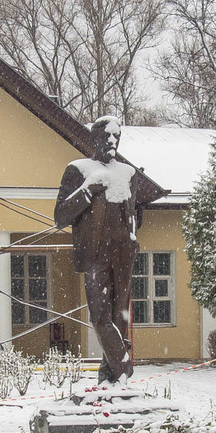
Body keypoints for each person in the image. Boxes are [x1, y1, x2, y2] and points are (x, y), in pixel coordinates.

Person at [54, 116, 167, 383]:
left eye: (117, 137)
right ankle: (123, 364)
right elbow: (60, 217)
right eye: (107, 136)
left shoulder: (128, 174)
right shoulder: (78, 170)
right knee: (99, 316)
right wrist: (88, 190)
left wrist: (132, 237)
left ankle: (109, 377)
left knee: (120, 317)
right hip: (95, 255)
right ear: (94, 138)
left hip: (123, 253)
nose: (112, 141)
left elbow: (133, 214)